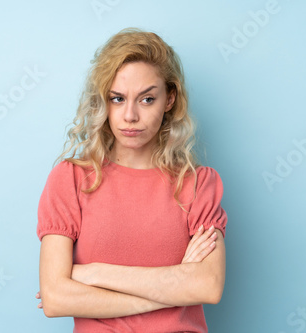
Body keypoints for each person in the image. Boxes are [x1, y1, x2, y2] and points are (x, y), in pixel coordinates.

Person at [35, 27, 227, 332]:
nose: (130, 116)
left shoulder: (198, 184)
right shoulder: (70, 180)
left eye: (147, 99)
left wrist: (93, 273)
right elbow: (56, 297)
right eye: (118, 98)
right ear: (104, 102)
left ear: (169, 100)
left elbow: (208, 286)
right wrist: (174, 287)